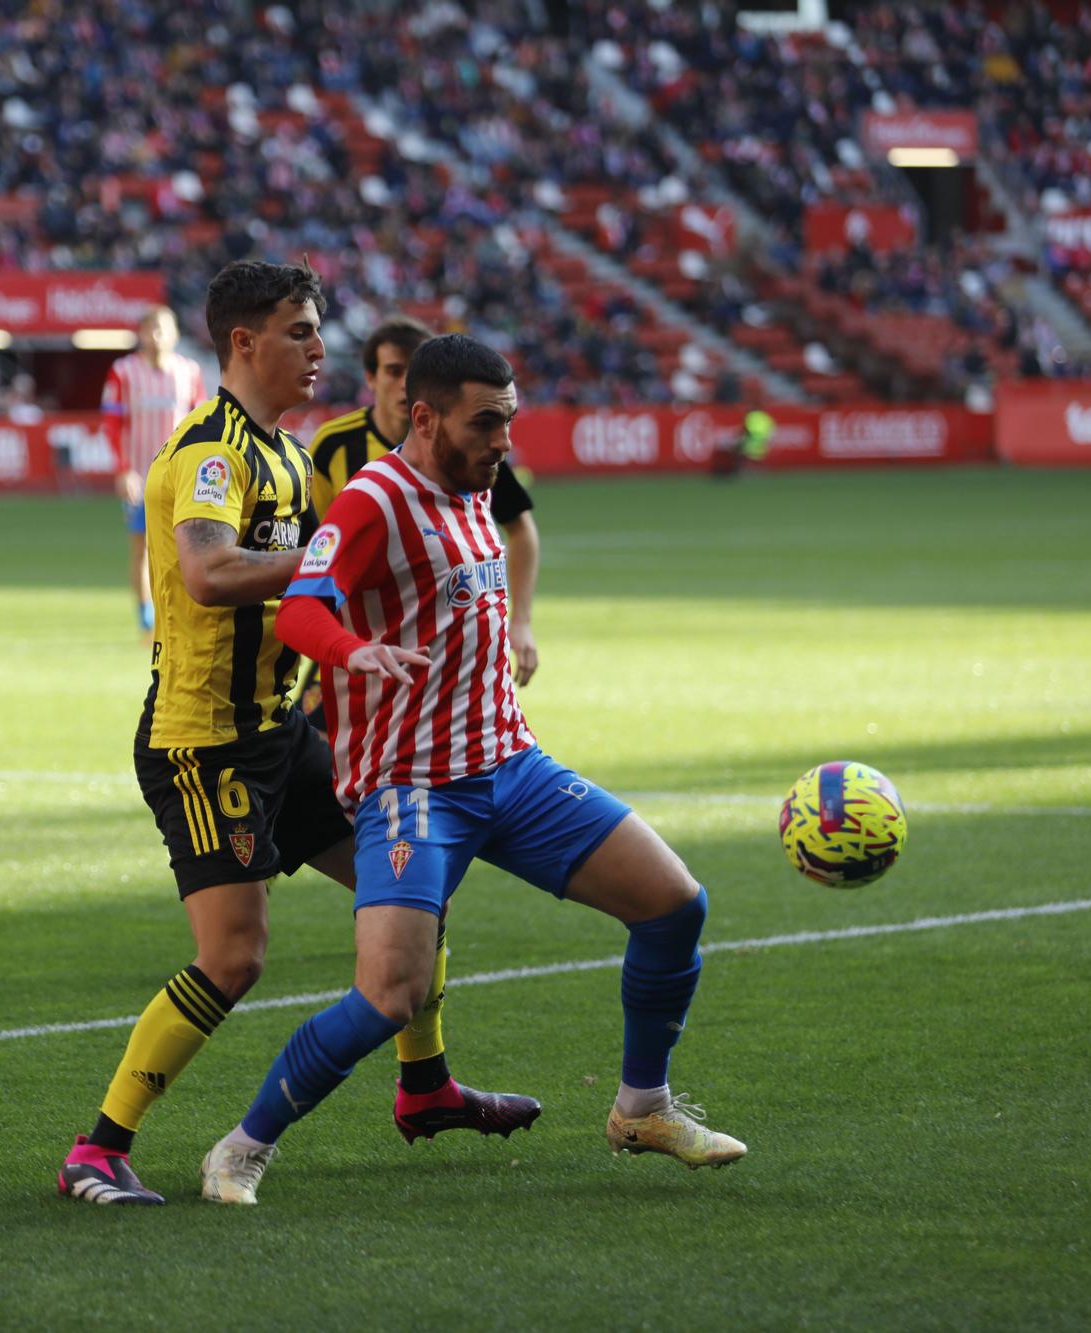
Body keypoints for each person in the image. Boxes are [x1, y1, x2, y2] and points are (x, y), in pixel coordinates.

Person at [199, 335, 745, 1206]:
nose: (503, 440)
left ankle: (643, 1107)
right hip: (414, 789)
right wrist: (353, 652)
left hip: (513, 766)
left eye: (510, 421)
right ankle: (242, 1145)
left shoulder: (477, 487)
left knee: (676, 904)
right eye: (486, 423)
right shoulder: (376, 497)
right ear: (425, 417)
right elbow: (302, 607)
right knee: (389, 995)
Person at [58, 266, 536, 1208]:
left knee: (414, 894)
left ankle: (425, 1085)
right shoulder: (209, 452)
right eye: (301, 333)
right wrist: (324, 563)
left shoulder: (285, 451)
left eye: (318, 334)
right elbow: (205, 570)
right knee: (235, 957)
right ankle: (98, 1147)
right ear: (245, 343)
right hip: (208, 741)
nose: (320, 351)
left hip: (286, 730)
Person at [298, 315, 542, 714]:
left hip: (443, 645)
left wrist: (521, 621)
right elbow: (315, 548)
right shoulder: (334, 445)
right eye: (394, 371)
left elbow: (522, 530)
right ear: (371, 378)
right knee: (318, 751)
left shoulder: (471, 449)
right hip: (360, 639)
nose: (403, 384)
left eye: (413, 372)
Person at [100, 306, 204, 634]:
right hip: (141, 478)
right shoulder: (123, 372)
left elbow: (199, 423)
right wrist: (123, 469)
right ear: (141, 334)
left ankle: (180, 613)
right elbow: (111, 424)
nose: (156, 336)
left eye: (162, 329)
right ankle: (147, 619)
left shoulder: (189, 371)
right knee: (143, 547)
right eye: (150, 329)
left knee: (185, 546)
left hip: (180, 478)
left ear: (175, 334)